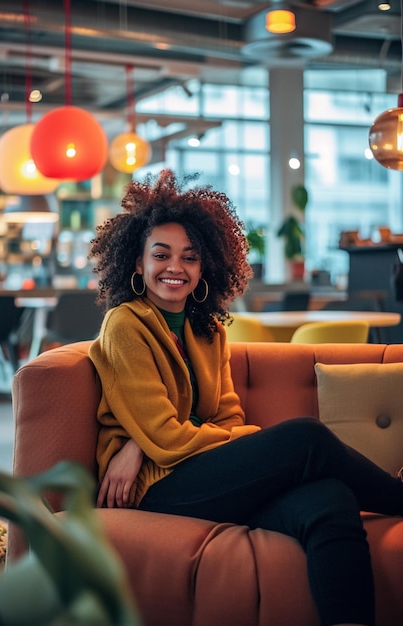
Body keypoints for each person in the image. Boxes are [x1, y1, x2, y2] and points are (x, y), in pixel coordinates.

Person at [89, 169, 403, 626]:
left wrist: (148, 440)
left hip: (207, 476)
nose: (175, 267)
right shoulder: (126, 325)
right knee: (305, 440)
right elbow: (166, 438)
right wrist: (152, 441)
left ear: (205, 267)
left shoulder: (208, 329)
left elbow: (228, 415)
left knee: (329, 498)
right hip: (157, 489)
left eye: (190, 257)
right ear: (137, 263)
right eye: (161, 255)